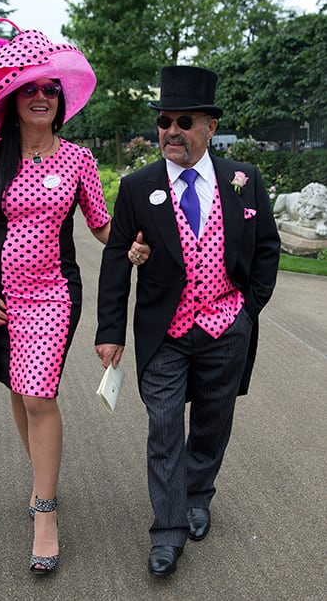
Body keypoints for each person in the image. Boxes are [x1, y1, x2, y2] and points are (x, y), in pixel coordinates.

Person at [0, 20, 149, 576]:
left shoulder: (79, 160)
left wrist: (133, 246)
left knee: (38, 397)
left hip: (54, 295)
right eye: (30, 87)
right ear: (12, 98)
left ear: (61, 99)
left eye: (50, 88)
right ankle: (44, 475)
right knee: (19, 390)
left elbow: (104, 227)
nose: (41, 95)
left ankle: (44, 509)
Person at [95, 66, 280, 577]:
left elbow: (267, 248)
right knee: (163, 426)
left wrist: (248, 310)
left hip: (227, 327)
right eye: (163, 121)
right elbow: (116, 259)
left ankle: (198, 494)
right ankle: (168, 530)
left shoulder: (243, 182)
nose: (170, 131)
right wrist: (109, 331)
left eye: (183, 121)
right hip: (166, 333)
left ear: (209, 127)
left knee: (213, 422)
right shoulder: (138, 187)